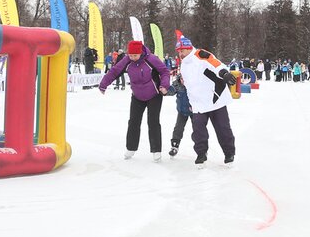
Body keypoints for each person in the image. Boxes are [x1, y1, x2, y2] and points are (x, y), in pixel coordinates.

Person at [99, 40, 170, 161]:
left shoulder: (151, 59)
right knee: (133, 122)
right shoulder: (127, 60)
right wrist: (103, 84)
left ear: (140, 53)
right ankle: (131, 148)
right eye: (130, 55)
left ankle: (156, 150)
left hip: (154, 94)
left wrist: (164, 85)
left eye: (135, 55)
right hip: (137, 95)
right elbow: (115, 71)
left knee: (153, 122)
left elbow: (164, 71)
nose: (132, 58)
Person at [174, 34, 238, 167]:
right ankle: (201, 154)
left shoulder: (201, 55)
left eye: (182, 51)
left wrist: (224, 73)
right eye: (179, 51)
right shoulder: (184, 64)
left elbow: (216, 64)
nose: (180, 54)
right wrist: (191, 102)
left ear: (189, 48)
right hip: (198, 103)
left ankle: (229, 153)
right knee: (198, 131)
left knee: (223, 129)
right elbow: (189, 86)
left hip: (215, 99)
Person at [165, 68, 191, 157]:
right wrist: (165, 91)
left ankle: (202, 149)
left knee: (198, 130)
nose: (184, 81)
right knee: (178, 128)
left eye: (186, 79)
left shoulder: (195, 84)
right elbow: (171, 90)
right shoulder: (177, 84)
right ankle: (174, 145)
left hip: (195, 112)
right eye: (182, 79)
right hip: (182, 111)